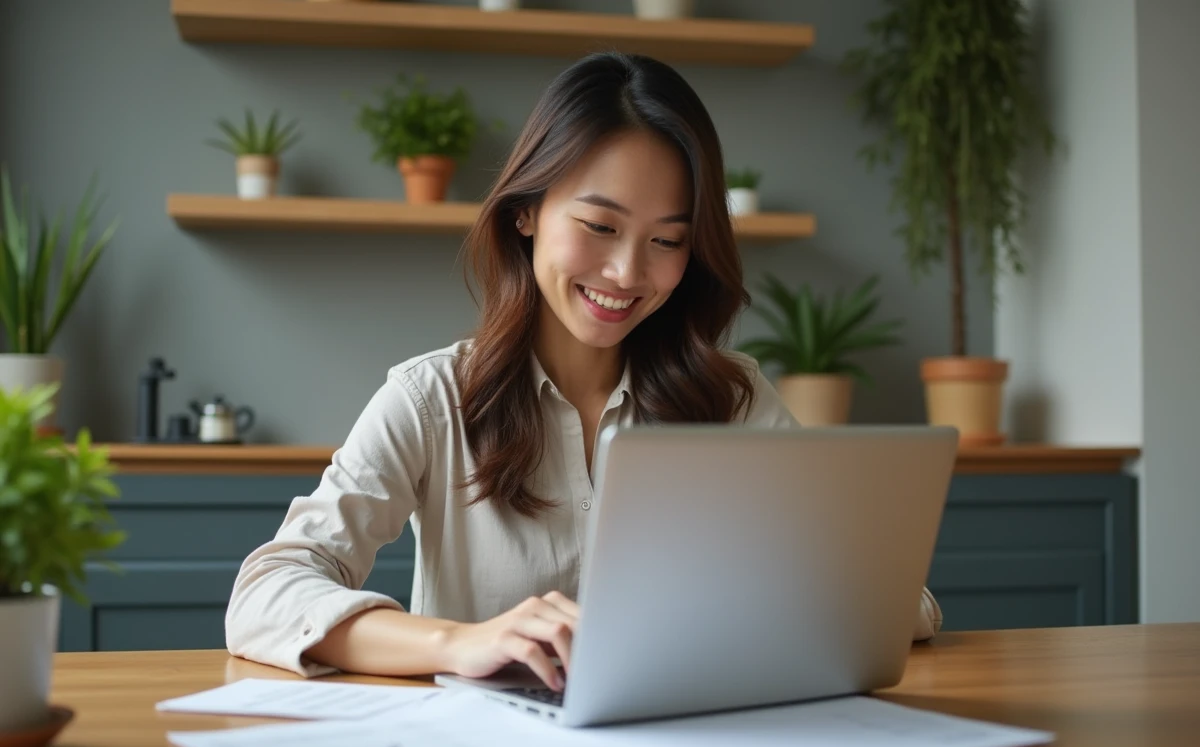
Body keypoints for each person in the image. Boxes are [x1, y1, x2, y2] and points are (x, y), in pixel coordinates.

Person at [225, 52, 943, 688]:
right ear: (526, 212)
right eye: (599, 227)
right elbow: (266, 593)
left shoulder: (733, 399)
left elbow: (899, 606)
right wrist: (461, 642)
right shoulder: (431, 398)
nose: (628, 272)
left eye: (667, 240)